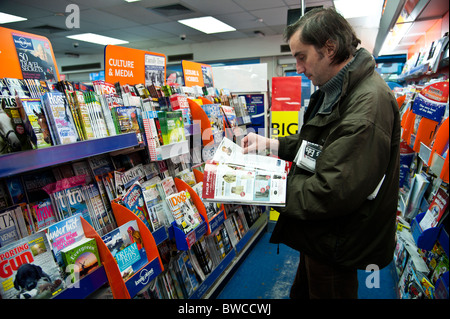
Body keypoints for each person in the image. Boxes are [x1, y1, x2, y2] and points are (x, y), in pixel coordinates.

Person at [241, 7, 400, 299]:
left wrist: (262, 187)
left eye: (302, 56)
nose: (299, 68)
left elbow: (332, 190)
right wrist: (270, 145)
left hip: (336, 238)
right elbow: (315, 144)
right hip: (320, 233)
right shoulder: (334, 89)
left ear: (330, 48)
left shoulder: (367, 105)